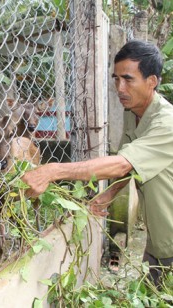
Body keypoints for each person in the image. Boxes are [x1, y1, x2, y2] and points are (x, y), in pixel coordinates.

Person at [22, 40, 173, 286]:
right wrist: (111, 193)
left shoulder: (166, 123)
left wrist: (52, 170)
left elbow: (122, 164)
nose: (119, 88)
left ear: (152, 81)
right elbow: (134, 165)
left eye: (128, 79)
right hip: (159, 237)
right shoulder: (133, 112)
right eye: (116, 79)